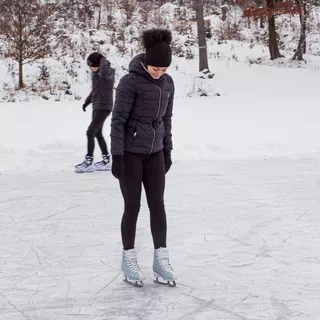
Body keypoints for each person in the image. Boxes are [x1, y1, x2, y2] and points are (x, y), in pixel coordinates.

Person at [110, 28, 176, 287]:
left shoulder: (168, 83)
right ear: (145, 61)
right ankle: (128, 259)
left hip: (155, 152)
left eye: (163, 69)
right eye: (155, 68)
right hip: (130, 154)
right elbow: (117, 121)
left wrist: (167, 149)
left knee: (158, 204)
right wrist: (117, 155)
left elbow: (167, 119)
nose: (159, 73)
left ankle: (161, 258)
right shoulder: (129, 82)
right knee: (133, 207)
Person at [75, 52, 115, 173]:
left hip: (105, 107)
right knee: (97, 133)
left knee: (90, 132)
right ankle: (106, 159)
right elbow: (94, 91)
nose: (90, 68)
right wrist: (87, 102)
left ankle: (88, 161)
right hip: (97, 106)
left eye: (91, 65)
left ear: (98, 64)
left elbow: (104, 73)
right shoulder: (95, 74)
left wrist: (102, 60)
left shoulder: (108, 72)